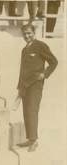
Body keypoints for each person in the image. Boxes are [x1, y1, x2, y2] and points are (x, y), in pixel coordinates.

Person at [16, 24, 58, 152]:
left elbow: (54, 61)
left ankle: (34, 141)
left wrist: (44, 74)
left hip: (35, 84)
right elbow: (22, 70)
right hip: (24, 85)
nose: (27, 36)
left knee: (32, 110)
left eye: (29, 33)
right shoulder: (24, 49)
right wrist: (19, 86)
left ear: (34, 32)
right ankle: (30, 139)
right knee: (26, 112)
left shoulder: (40, 45)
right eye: (25, 34)